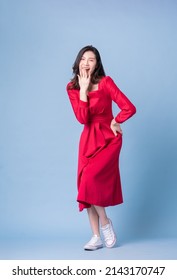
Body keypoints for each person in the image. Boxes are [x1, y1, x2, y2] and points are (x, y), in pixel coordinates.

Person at [66, 45, 136, 251]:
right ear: (78, 61)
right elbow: (82, 118)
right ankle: (96, 236)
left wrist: (116, 120)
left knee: (90, 180)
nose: (87, 63)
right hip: (88, 140)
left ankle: (105, 223)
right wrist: (84, 89)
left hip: (108, 139)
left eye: (92, 60)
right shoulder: (72, 87)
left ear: (97, 64)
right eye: (84, 59)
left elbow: (129, 107)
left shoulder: (106, 82)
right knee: (86, 186)